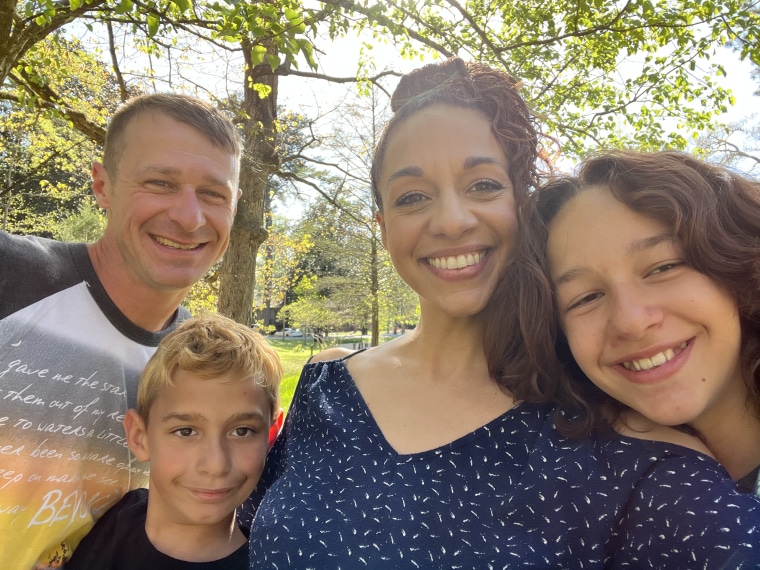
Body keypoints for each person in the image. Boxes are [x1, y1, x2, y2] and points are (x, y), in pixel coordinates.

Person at [242, 59, 760, 568]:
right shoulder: (325, 391)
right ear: (382, 226)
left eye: (483, 185)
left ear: (521, 201)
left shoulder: (633, 451)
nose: (450, 220)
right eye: (413, 197)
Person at [0, 93, 241, 569]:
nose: (189, 217)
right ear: (103, 185)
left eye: (214, 193)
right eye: (160, 182)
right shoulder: (13, 277)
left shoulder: (196, 363)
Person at [496, 149, 760, 496]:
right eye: (586, 298)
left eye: (663, 267)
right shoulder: (577, 495)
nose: (631, 322)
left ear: (735, 266)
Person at [65, 314, 282, 569]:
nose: (215, 465)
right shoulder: (112, 518)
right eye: (186, 431)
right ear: (139, 437)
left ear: (270, 435)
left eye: (242, 431)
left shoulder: (270, 563)